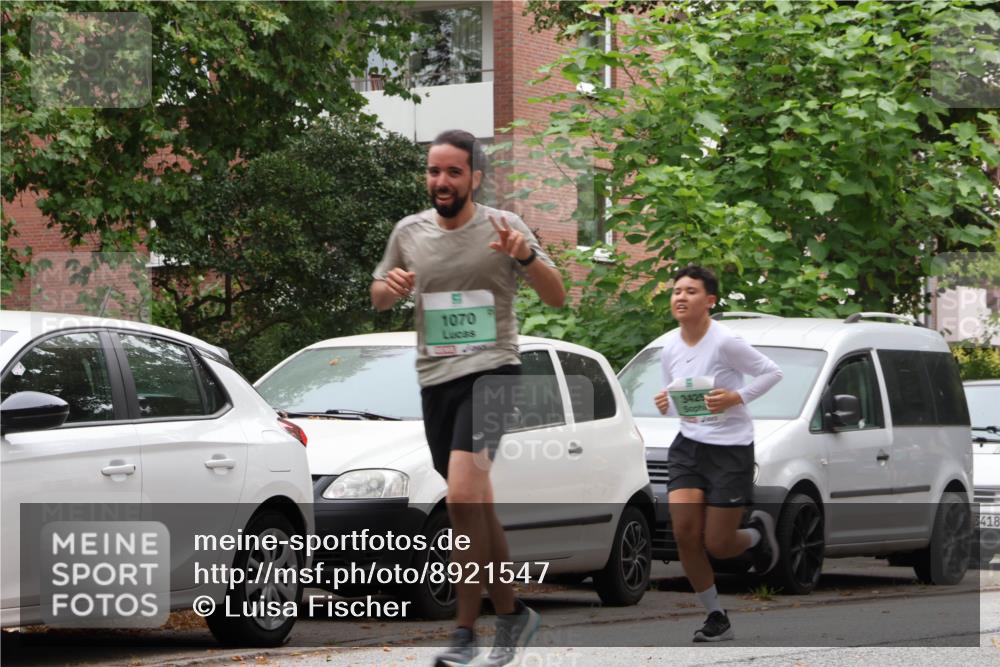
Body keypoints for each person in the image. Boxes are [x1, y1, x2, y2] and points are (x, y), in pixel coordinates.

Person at [371, 129, 565, 667]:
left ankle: (463, 632)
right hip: (437, 381)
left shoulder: (504, 226)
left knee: (460, 495)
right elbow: (380, 295)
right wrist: (392, 288)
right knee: (476, 504)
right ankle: (511, 615)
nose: (441, 181)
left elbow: (557, 294)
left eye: (453, 172)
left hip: (496, 373)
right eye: (434, 171)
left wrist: (526, 255)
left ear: (475, 177)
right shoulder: (408, 233)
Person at [653, 264, 783, 642]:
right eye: (677, 290)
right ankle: (715, 616)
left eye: (691, 291)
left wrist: (735, 396)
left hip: (730, 449)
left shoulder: (726, 341)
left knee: (719, 544)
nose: (681, 297)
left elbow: (771, 373)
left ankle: (757, 535)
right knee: (684, 533)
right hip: (688, 448)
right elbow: (683, 402)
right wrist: (667, 403)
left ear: (709, 301)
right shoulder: (669, 347)